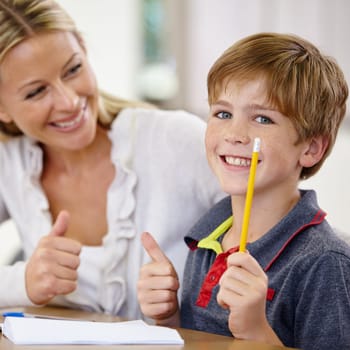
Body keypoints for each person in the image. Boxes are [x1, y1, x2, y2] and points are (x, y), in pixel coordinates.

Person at [0, 0, 224, 319]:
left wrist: (199, 300)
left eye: (73, 69)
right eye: (36, 92)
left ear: (84, 50)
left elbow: (280, 236)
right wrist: (22, 282)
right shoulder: (11, 164)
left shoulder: (174, 140)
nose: (68, 101)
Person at [137, 32, 350, 349]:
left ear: (311, 148)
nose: (235, 133)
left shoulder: (325, 263)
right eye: (223, 113)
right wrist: (169, 319)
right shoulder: (206, 240)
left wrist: (257, 332)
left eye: (262, 118)